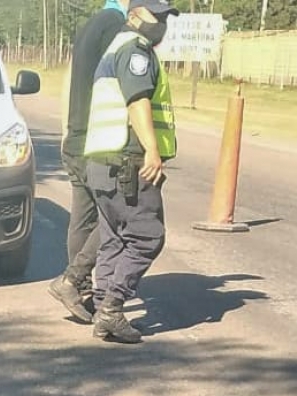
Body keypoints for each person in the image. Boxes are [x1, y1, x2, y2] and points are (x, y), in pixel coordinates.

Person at [83, 0, 179, 343]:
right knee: (147, 236)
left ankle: (101, 309)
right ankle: (112, 307)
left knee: (113, 237)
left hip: (102, 162)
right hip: (129, 160)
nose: (163, 25)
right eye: (158, 17)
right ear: (136, 15)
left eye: (167, 18)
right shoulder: (135, 50)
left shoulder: (116, 48)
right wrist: (152, 150)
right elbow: (137, 100)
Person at [48, 0, 130, 324]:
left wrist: (66, 129)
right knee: (118, 215)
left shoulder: (92, 24)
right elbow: (122, 84)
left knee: (82, 217)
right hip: (99, 139)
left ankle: (78, 288)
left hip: (76, 134)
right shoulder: (116, 27)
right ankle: (73, 278)